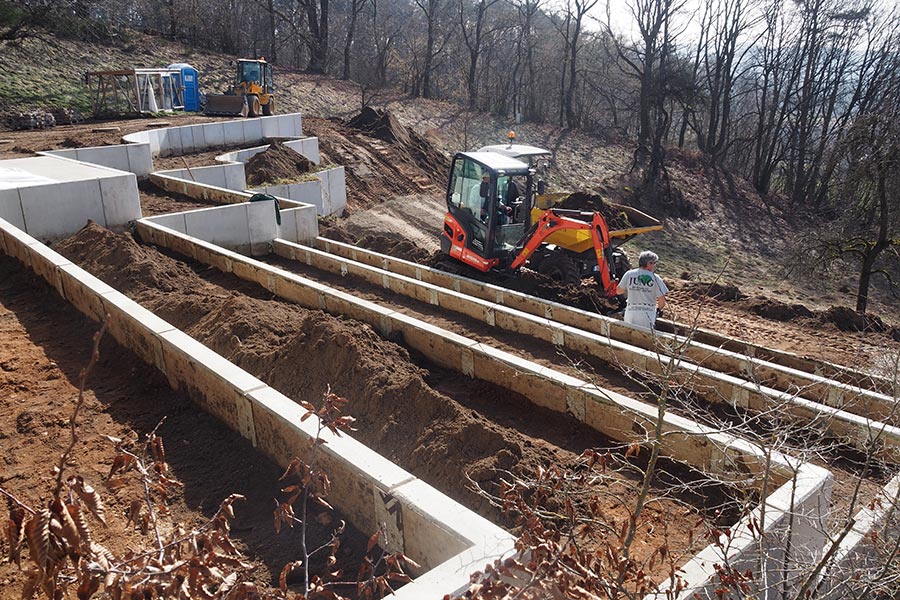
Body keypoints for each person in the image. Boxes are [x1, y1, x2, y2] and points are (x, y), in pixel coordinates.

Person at [616, 250, 668, 330]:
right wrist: (659, 309)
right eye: (654, 263)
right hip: (647, 314)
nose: (655, 266)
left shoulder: (629, 274)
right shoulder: (656, 278)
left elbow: (619, 291)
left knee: (629, 333)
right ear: (649, 263)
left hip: (631, 312)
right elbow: (662, 301)